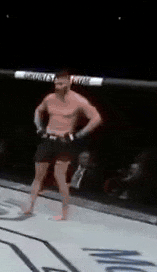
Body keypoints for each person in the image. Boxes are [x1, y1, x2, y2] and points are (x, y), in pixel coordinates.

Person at [23, 70, 103, 220]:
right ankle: (30, 207)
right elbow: (38, 110)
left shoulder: (78, 100)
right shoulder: (50, 98)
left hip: (64, 142)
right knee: (38, 176)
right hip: (48, 139)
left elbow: (96, 118)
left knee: (60, 177)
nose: (57, 86)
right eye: (56, 84)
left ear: (68, 83)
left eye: (61, 84)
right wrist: (39, 127)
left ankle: (64, 213)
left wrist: (78, 135)